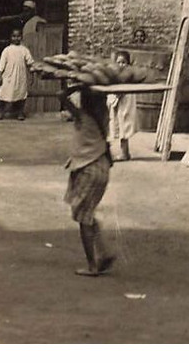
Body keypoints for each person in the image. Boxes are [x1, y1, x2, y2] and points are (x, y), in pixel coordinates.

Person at [60, 85, 115, 277]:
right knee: (87, 213)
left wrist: (76, 86)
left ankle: (92, 265)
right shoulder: (103, 117)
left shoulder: (83, 117)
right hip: (101, 167)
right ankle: (104, 253)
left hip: (89, 169)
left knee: (83, 217)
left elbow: (61, 95)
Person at [0, 28, 34, 120]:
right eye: (14, 36)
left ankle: (20, 113)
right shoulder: (7, 50)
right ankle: (1, 113)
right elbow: (2, 64)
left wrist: (31, 75)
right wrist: (0, 75)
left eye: (18, 36)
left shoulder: (24, 50)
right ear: (11, 37)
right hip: (8, 76)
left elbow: (30, 63)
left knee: (21, 94)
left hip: (20, 76)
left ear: (21, 37)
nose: (16, 38)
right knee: (4, 93)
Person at [107, 50, 138, 161]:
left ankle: (125, 154)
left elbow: (122, 90)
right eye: (119, 62)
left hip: (125, 103)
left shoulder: (128, 75)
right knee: (116, 128)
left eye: (124, 62)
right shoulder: (116, 75)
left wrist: (116, 95)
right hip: (118, 102)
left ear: (128, 64)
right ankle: (121, 153)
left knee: (123, 128)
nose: (121, 65)